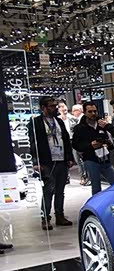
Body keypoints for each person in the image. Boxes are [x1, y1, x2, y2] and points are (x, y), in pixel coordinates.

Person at [29, 96, 75, 229]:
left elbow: (66, 140)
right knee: (48, 190)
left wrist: (69, 157)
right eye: (51, 106)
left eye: (55, 106)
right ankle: (45, 218)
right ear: (43, 108)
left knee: (60, 190)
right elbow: (33, 143)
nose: (55, 108)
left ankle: (60, 215)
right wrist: (36, 161)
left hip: (61, 159)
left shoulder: (59, 121)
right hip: (46, 161)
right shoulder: (36, 122)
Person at [72, 101, 114, 195]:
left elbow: (109, 140)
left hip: (105, 158)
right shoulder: (80, 128)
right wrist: (90, 145)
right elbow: (76, 145)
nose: (93, 113)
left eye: (95, 111)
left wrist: (108, 144)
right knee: (96, 186)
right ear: (84, 112)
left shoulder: (102, 124)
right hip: (91, 159)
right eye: (90, 111)